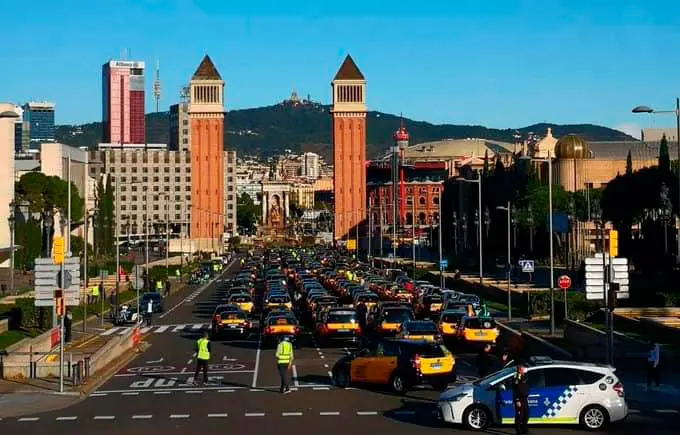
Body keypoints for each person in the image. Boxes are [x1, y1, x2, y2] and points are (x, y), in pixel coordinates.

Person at [512, 364, 529, 435]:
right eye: (523, 369)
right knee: (519, 417)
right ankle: (518, 432)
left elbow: (525, 383)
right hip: (519, 399)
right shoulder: (516, 377)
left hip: (524, 399)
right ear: (519, 370)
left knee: (526, 415)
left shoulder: (523, 376)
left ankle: (524, 431)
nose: (524, 370)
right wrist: (517, 400)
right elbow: (515, 390)